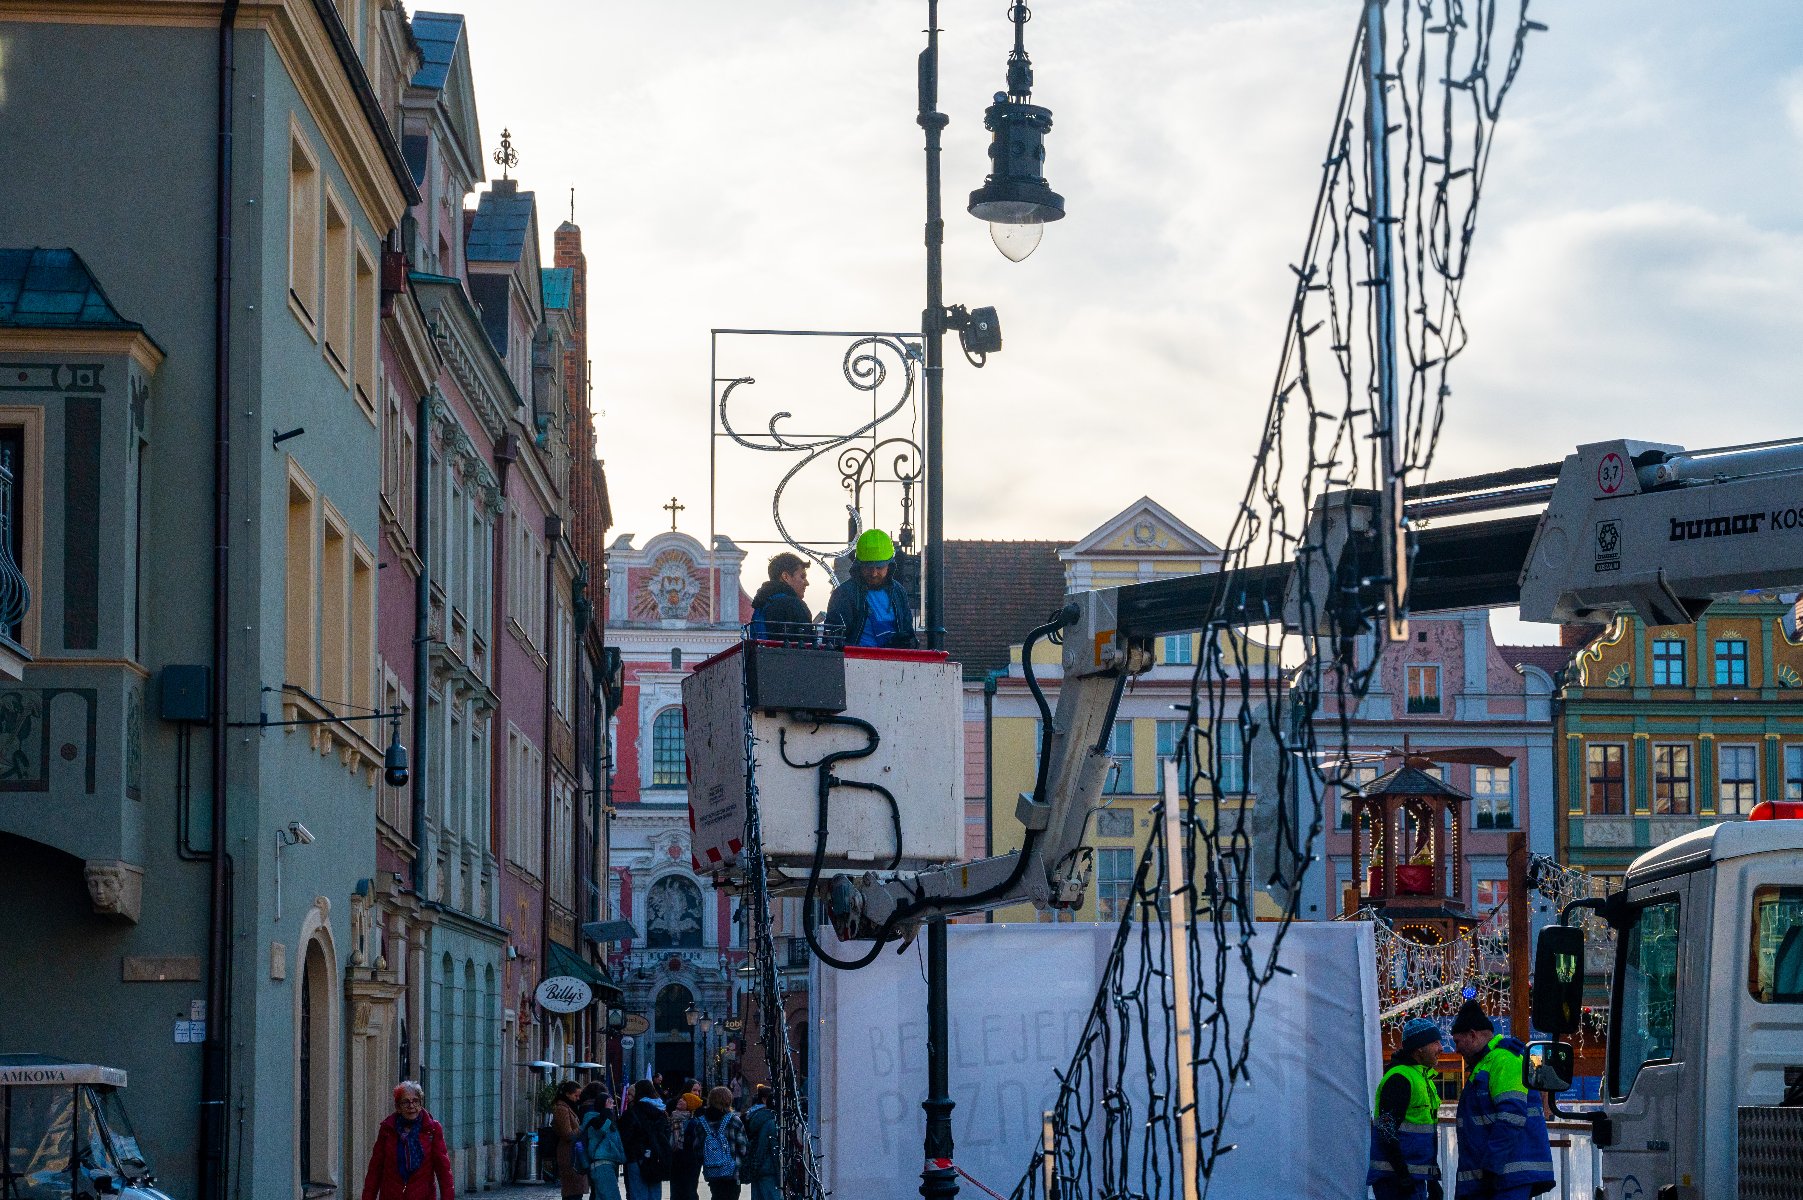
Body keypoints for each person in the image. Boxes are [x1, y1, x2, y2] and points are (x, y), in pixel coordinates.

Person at [1450, 1000, 1555, 1199]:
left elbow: (1511, 1116)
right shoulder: (1488, 1064)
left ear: (1473, 1035)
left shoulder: (1504, 1061)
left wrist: (1491, 1167)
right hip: (1498, 1178)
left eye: (1457, 1041)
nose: (1456, 1049)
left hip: (1505, 1178)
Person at [1368, 1018, 1446, 1200]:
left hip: (1413, 1179)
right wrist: (1403, 1175)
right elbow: (1386, 1129)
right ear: (1419, 1047)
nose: (1441, 1048)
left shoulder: (1422, 1078)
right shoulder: (1400, 1079)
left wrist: (1432, 1181)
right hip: (1395, 1181)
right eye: (1435, 1042)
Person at [360, 1081, 454, 1200]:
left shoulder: (432, 1129)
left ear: (420, 1105)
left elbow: (444, 1171)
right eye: (405, 1102)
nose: (411, 1106)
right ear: (398, 1107)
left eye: (415, 1101)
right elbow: (375, 1170)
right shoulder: (387, 1129)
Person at [824, 530, 917, 649]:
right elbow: (832, 639)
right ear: (859, 565)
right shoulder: (844, 594)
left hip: (892, 663)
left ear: (889, 565)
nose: (874, 573)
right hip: (855, 664)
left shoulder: (898, 592)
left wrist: (909, 642)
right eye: (868, 567)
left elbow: (908, 631)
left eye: (879, 567)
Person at [620, 1078, 674, 1200]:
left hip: (636, 1158)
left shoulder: (633, 1112)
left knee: (638, 1194)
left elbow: (626, 1137)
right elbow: (666, 1135)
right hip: (656, 1158)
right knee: (654, 1194)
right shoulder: (661, 1111)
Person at [695, 1086, 747, 1200]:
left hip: (712, 1172)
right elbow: (743, 1148)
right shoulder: (734, 1120)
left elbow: (698, 1149)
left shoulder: (702, 1122)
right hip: (732, 1173)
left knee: (716, 1195)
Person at [579, 1083, 626, 1200]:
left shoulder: (607, 1118)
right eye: (609, 1102)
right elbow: (601, 1130)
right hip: (601, 1163)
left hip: (609, 1163)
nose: (612, 1105)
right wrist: (607, 1111)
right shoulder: (593, 1118)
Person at [738, 1085, 780, 1200]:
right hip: (768, 1169)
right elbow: (772, 1150)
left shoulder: (754, 1117)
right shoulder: (771, 1123)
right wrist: (780, 1173)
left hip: (758, 1169)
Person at [551, 1080, 587, 1200]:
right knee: (572, 1192)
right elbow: (567, 1134)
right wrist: (582, 1128)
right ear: (567, 1094)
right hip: (568, 1154)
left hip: (573, 1152)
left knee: (576, 1191)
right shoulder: (562, 1108)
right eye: (575, 1095)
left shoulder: (569, 1107)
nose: (578, 1098)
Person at [668, 1093, 706, 1200]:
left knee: (689, 1192)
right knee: (676, 1193)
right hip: (675, 1162)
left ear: (690, 1104)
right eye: (680, 1098)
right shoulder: (671, 1118)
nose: (680, 1100)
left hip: (689, 1163)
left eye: (684, 1100)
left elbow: (695, 1144)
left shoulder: (693, 1123)